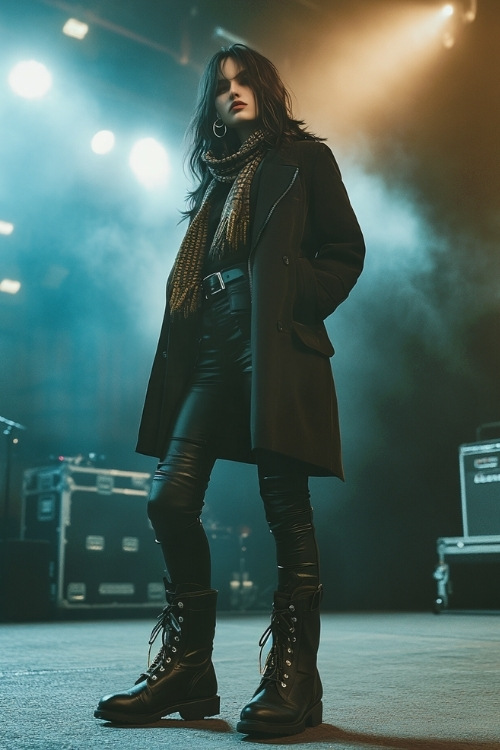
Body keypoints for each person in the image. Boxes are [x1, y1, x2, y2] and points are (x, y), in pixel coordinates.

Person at [94, 44, 365, 737]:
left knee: (285, 506)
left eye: (246, 82)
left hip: (273, 344)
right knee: (169, 495)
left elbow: (344, 251)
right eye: (222, 87)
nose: (234, 92)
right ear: (210, 109)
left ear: (267, 91)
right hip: (210, 349)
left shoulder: (303, 160)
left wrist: (291, 297)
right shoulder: (214, 183)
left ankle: (295, 678)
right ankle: (190, 666)